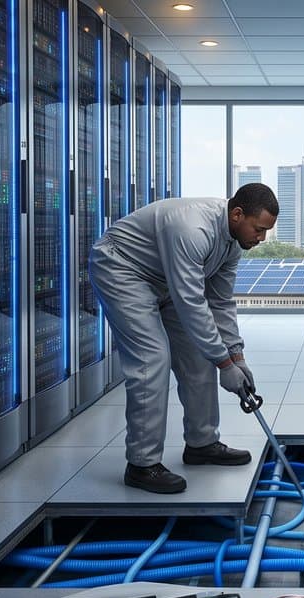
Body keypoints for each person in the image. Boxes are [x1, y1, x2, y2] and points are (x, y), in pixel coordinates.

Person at [90, 183, 276, 494]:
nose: (261, 238)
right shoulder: (193, 228)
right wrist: (224, 364)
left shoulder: (232, 244)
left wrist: (236, 358)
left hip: (165, 279)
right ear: (237, 214)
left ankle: (202, 444)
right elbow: (191, 303)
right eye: (258, 230)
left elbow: (219, 302)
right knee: (152, 359)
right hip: (124, 270)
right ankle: (142, 464)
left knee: (199, 356)